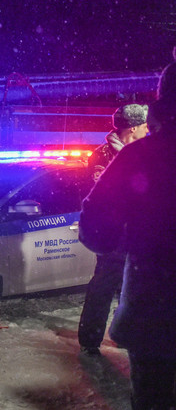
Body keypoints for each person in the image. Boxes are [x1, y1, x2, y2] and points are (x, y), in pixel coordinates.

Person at [79, 60, 176, 409]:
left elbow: (94, 225)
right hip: (153, 310)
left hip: (155, 310)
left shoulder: (141, 156)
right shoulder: (118, 154)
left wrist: (127, 243)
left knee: (154, 398)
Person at [77, 103, 149, 356]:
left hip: (137, 233)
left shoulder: (139, 152)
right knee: (104, 285)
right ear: (133, 128)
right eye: (144, 126)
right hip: (115, 235)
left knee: (133, 288)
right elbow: (103, 196)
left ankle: (125, 334)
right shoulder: (104, 156)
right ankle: (90, 339)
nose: (148, 130)